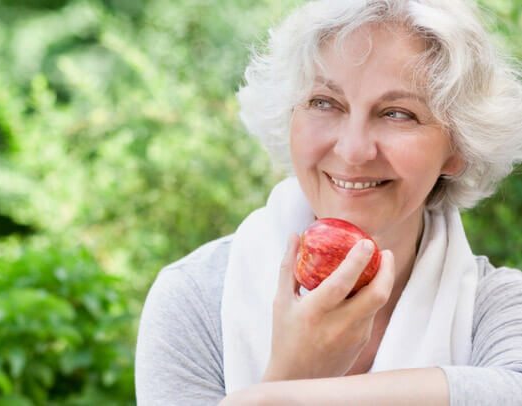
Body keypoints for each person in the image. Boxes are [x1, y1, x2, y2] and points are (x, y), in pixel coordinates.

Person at [135, 0, 522, 405]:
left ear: (457, 147)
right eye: (324, 103)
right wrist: (295, 372)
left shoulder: (496, 309)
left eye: (398, 113)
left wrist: (266, 399)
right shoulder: (195, 298)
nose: (354, 150)